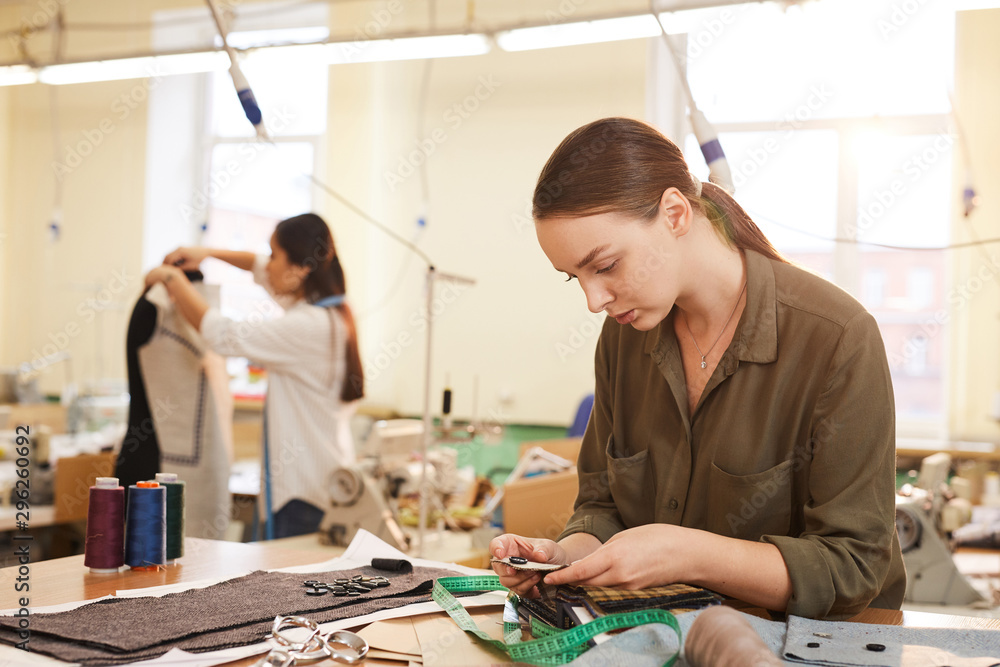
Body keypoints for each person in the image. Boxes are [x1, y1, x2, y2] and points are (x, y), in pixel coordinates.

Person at [490, 118, 905, 620]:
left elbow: (853, 567)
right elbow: (602, 507)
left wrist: (687, 554)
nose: (594, 300)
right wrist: (567, 555)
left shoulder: (836, 337)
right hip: (664, 637)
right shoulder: (625, 336)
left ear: (675, 213)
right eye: (573, 277)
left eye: (604, 266)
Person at [144, 212, 363, 539]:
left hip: (302, 496)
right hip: (322, 480)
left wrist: (173, 281)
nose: (267, 265)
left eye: (275, 255)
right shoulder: (334, 312)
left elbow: (223, 335)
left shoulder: (308, 326)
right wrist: (208, 253)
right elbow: (260, 268)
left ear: (300, 269)